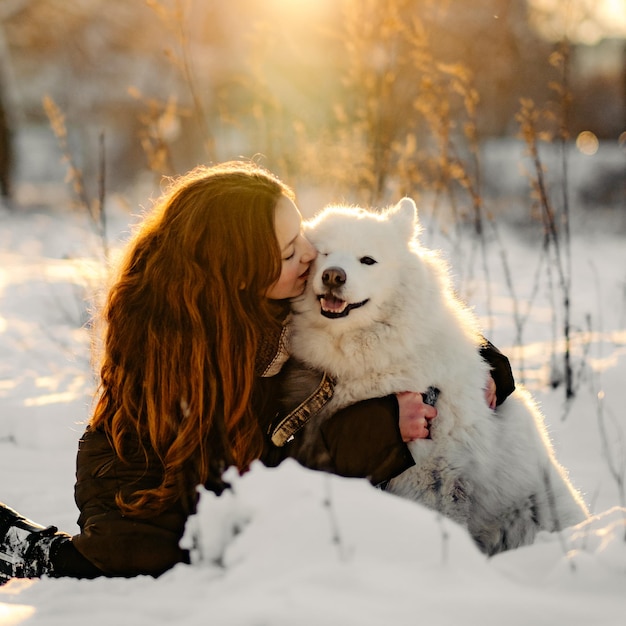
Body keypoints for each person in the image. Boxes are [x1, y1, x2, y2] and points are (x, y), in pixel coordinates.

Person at [0, 161, 515, 583]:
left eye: (303, 236)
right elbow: (268, 462)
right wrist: (382, 425)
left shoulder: (284, 295)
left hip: (218, 464)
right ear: (239, 272)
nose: (311, 256)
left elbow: (409, 319)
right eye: (292, 250)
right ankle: (26, 548)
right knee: (148, 563)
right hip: (144, 473)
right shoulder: (187, 343)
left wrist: (480, 361)